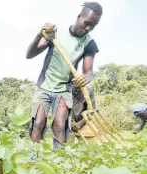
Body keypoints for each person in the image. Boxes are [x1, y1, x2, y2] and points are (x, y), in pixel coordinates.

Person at [26, 2, 103, 149]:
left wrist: (86, 77)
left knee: (60, 126)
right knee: (38, 123)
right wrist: (39, 34)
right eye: (87, 23)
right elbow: (29, 55)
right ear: (79, 16)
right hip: (44, 86)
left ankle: (59, 162)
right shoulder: (55, 33)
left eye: (92, 26)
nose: (88, 29)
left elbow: (89, 72)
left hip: (64, 89)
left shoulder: (90, 44)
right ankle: (32, 161)